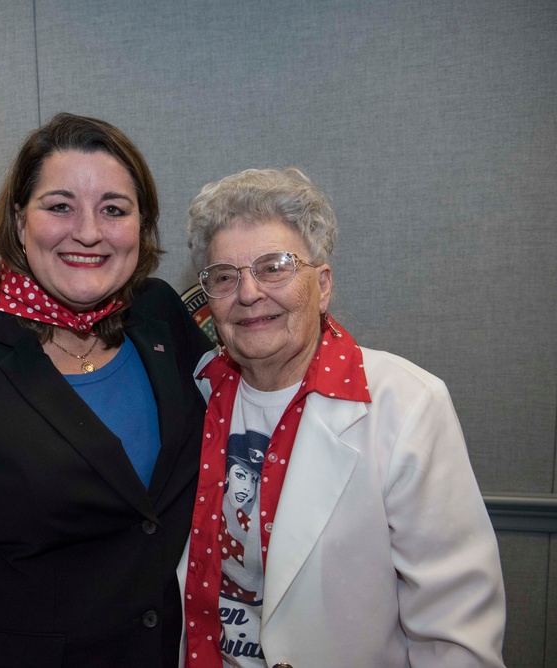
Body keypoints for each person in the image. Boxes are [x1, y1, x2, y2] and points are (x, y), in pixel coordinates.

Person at [0, 112, 213, 667]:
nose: (89, 232)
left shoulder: (161, 316)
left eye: (114, 210)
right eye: (60, 206)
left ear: (141, 227)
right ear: (20, 220)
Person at [180, 168, 506, 667]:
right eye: (225, 276)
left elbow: (455, 633)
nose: (247, 294)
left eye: (274, 267)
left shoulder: (406, 404)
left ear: (323, 284)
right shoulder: (194, 390)